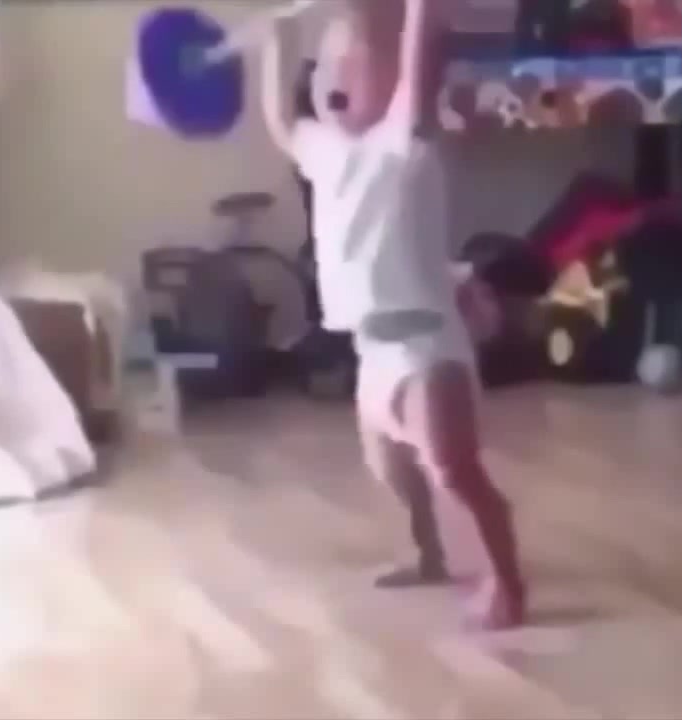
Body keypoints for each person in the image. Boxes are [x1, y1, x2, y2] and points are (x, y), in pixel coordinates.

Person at [260, 0, 527, 631]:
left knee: (452, 469)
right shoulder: (323, 150)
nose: (337, 79)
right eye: (330, 70)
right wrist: (277, 39)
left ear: (391, 80)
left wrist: (419, 12)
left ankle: (508, 583)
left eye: (355, 66)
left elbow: (417, 59)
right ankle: (428, 553)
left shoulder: (404, 139)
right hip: (372, 350)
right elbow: (278, 118)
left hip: (426, 347)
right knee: (390, 466)